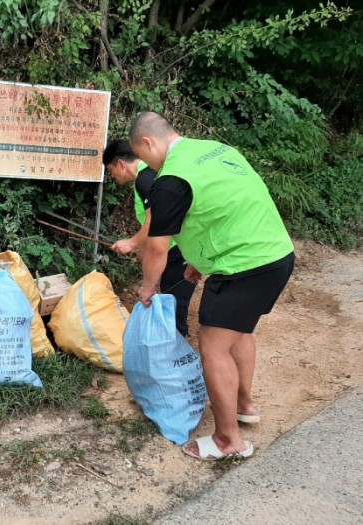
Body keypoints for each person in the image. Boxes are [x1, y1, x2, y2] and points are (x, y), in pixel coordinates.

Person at [129, 111, 295, 461]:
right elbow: (224, 207)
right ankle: (244, 405)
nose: (147, 166)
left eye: (143, 158)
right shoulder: (216, 150)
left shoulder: (171, 179)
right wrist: (198, 261)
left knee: (213, 345)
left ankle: (227, 441)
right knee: (238, 333)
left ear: (147, 143)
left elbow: (158, 247)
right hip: (276, 254)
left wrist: (147, 287)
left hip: (243, 266)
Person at [103, 139, 196, 337]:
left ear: (121, 164)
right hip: (174, 248)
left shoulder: (145, 179)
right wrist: (143, 250)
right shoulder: (150, 174)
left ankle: (176, 351)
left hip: (178, 249)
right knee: (172, 296)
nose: (112, 175)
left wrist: (132, 243)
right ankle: (173, 345)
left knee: (175, 301)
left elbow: (155, 220)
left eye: (111, 170)